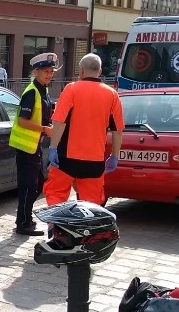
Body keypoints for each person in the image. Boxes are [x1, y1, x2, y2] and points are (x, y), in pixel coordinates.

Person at [44, 52, 124, 207]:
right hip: (94, 161)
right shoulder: (112, 95)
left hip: (65, 157)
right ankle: (87, 231)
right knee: (91, 204)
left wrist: (52, 148)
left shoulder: (71, 89)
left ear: (80, 71)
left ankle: (54, 229)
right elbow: (117, 131)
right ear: (99, 72)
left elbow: (59, 122)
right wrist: (114, 156)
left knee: (56, 195)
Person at [9, 52, 55, 236]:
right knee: (29, 187)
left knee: (37, 185)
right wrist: (44, 129)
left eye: (52, 71)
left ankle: (24, 219)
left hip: (34, 146)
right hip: (26, 147)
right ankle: (23, 223)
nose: (50, 74)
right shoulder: (31, 91)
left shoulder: (43, 89)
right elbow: (22, 121)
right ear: (36, 72)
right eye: (46, 71)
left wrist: (48, 125)